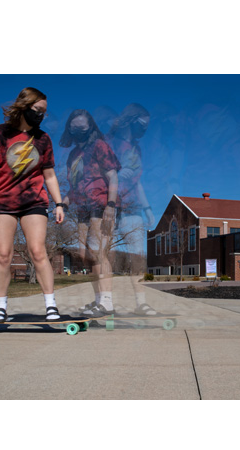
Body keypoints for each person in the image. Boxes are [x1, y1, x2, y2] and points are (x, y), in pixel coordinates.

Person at [0, 87, 65, 322]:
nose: (40, 116)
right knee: (3, 254)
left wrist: (59, 203)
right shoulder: (0, 134)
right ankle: (0, 307)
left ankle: (50, 305)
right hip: (3, 201)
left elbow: (49, 175)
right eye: (37, 110)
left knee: (38, 251)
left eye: (44, 112)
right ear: (24, 106)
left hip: (34, 201)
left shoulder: (43, 139)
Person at [60, 109, 121, 318]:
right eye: (74, 127)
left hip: (102, 204)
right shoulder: (73, 156)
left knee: (99, 253)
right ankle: (98, 301)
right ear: (69, 129)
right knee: (86, 255)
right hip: (82, 207)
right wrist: (63, 205)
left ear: (91, 127)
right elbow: (74, 189)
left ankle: (107, 302)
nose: (78, 130)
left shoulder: (100, 146)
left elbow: (112, 176)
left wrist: (111, 205)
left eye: (82, 127)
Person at [106, 103, 157, 315]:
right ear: (131, 120)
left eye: (147, 125)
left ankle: (141, 303)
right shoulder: (109, 143)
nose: (145, 128)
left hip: (133, 206)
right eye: (143, 123)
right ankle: (105, 302)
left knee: (138, 255)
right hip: (109, 205)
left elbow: (138, 182)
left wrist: (148, 209)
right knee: (104, 254)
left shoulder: (137, 148)